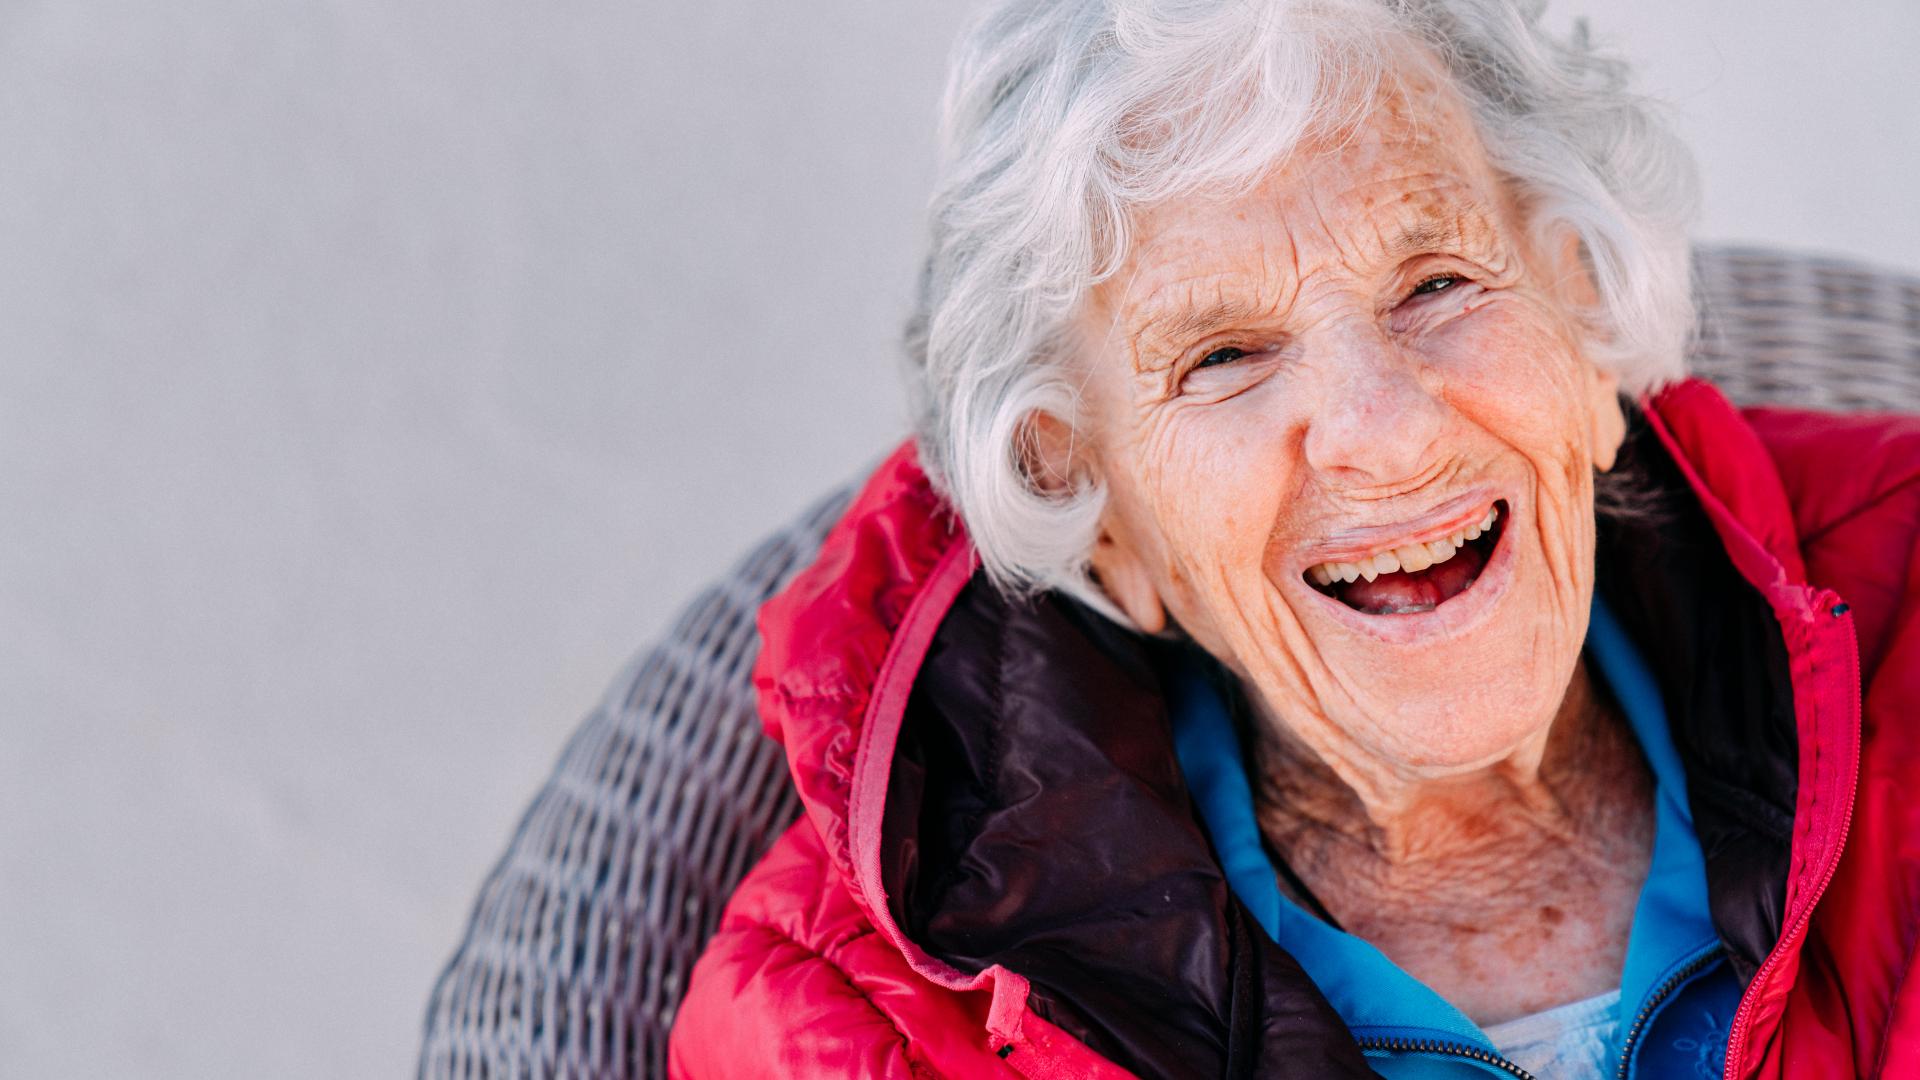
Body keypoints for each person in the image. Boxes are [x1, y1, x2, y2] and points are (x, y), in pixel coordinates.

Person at [668, 1, 1920, 1076]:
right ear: (1106, 528)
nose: (1383, 431)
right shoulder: (849, 1025)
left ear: (1584, 320)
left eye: (1436, 282)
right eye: (1222, 358)